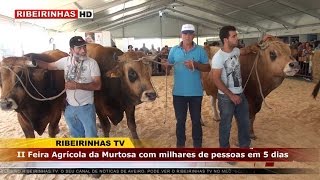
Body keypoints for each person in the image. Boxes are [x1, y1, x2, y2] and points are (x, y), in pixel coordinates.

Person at [35, 36, 101, 138]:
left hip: (86, 108)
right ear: (71, 50)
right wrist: (33, 61)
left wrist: (77, 85)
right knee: (76, 136)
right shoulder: (65, 61)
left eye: (84, 47)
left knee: (91, 137)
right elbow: (48, 66)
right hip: (69, 108)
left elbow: (97, 85)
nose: (83, 50)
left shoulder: (92, 63)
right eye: (79, 48)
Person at [162, 24, 211, 148]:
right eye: (185, 33)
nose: (187, 36)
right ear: (181, 35)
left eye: (190, 33)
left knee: (196, 121)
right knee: (180, 121)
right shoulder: (173, 50)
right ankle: (180, 145)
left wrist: (196, 64)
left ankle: (197, 145)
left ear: (193, 35)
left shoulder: (200, 50)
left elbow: (207, 67)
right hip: (178, 93)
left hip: (196, 93)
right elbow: (169, 67)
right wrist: (165, 66)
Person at [211, 26, 256, 148]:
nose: (237, 38)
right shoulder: (218, 57)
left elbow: (245, 51)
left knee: (244, 122)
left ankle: (244, 146)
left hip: (240, 93)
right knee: (226, 125)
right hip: (226, 97)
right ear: (226, 39)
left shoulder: (235, 51)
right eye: (234, 36)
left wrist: (259, 44)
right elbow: (216, 79)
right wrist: (231, 95)